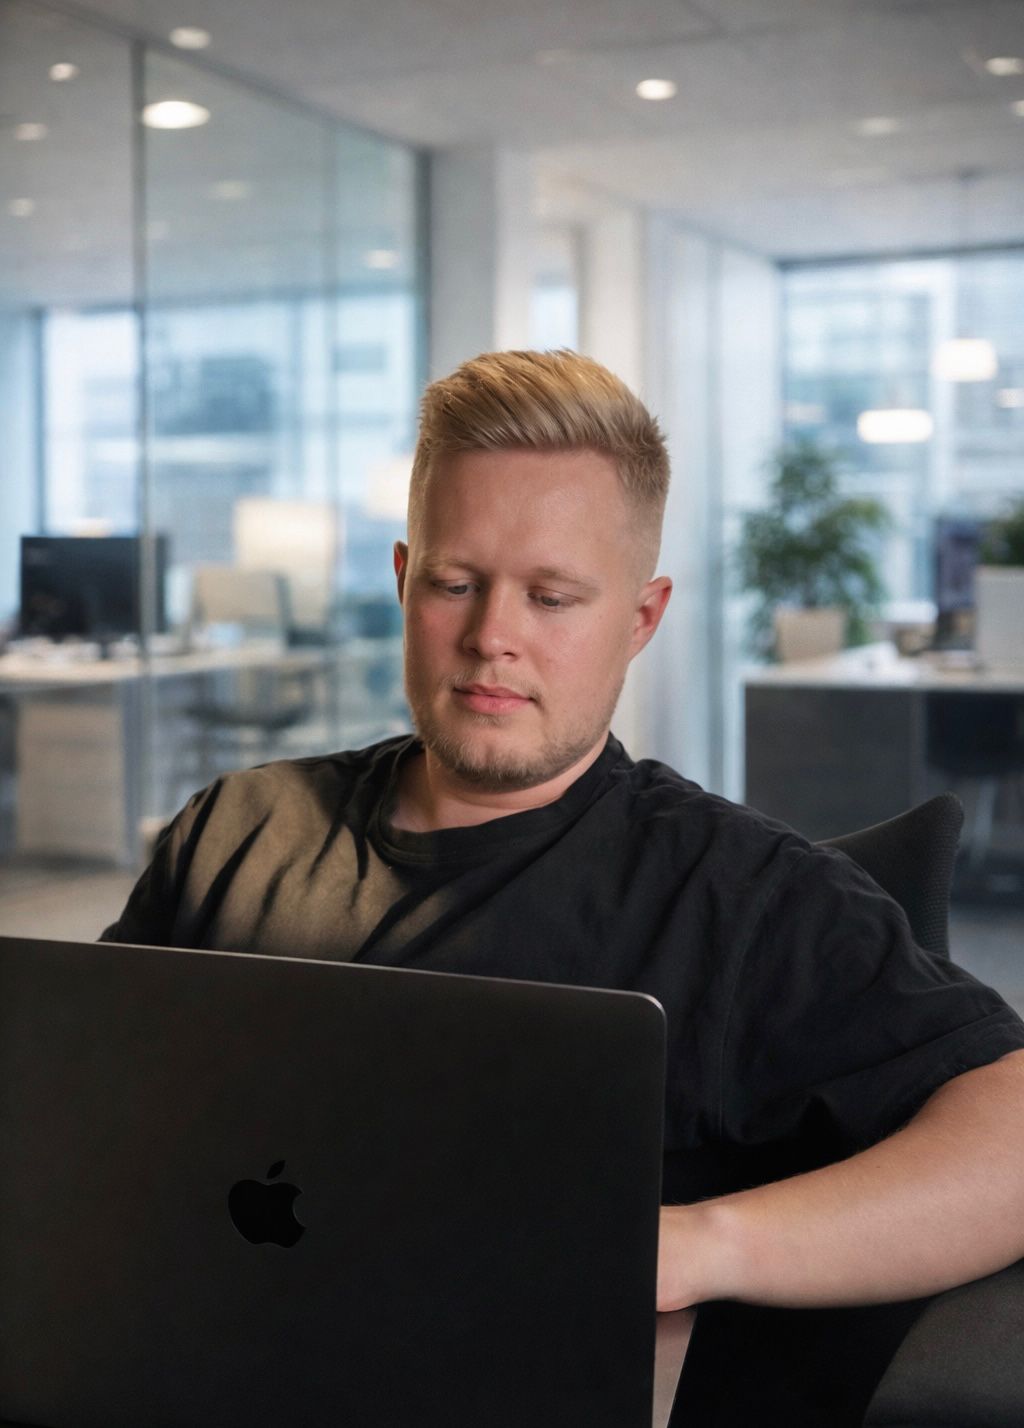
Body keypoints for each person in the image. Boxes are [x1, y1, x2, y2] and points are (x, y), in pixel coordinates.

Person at [103, 348, 1024, 1424]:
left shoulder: (739, 897)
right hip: (177, 1369)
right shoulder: (234, 831)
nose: (493, 637)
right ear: (404, 581)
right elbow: (91, 1114)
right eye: (456, 584)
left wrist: (695, 1246)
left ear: (639, 620)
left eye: (552, 597)